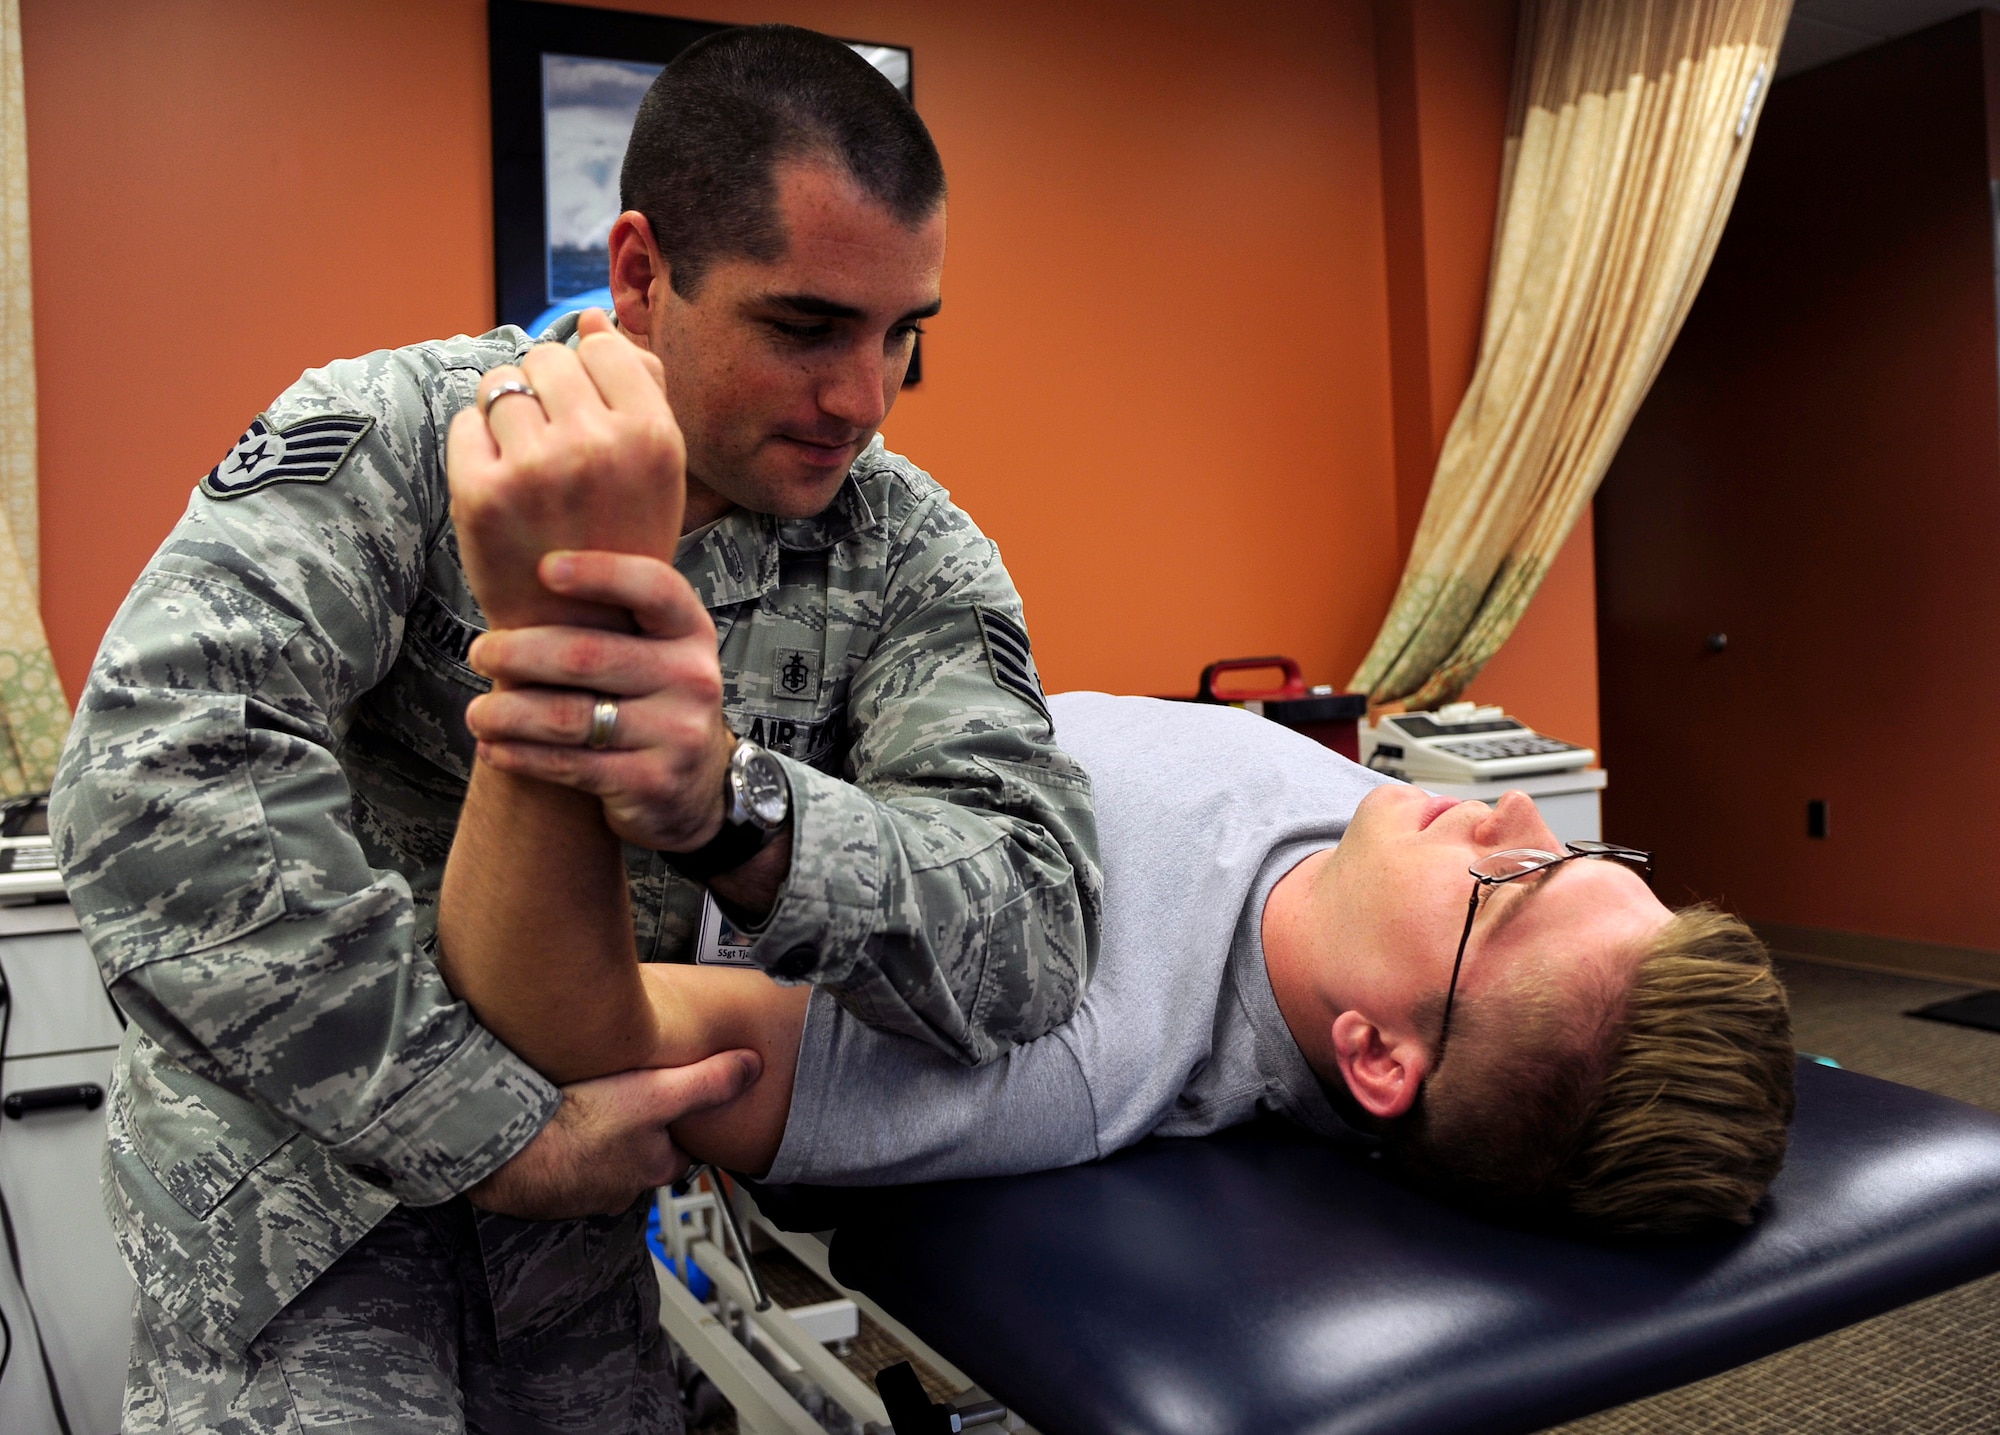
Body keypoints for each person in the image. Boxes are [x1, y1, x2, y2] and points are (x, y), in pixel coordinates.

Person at [50, 25, 1098, 1435]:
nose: (864, 400)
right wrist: (498, 1132)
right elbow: (150, 788)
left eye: (901, 335)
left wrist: (736, 807)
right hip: (303, 1212)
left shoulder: (903, 557)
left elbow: (1029, 934)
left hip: (587, 1241)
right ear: (643, 275)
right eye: (805, 328)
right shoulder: (401, 435)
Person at [447, 666, 1799, 1235]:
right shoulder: (1375, 840)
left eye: (1507, 890)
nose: (1513, 814)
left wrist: (549, 690)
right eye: (1585, 858)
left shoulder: (1072, 1050)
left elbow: (587, 1025)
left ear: (1380, 1055)